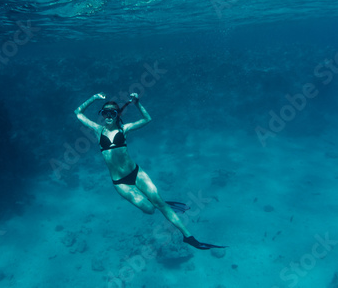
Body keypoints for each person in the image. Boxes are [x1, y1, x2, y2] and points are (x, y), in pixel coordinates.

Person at [74, 92, 225, 250]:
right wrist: (94, 98)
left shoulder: (124, 128)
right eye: (105, 113)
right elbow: (78, 112)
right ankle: (161, 203)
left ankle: (188, 236)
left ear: (117, 114)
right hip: (120, 182)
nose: (108, 116)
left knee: (159, 204)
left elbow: (147, 119)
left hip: (136, 173)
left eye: (112, 112)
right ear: (102, 115)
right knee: (150, 209)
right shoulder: (98, 130)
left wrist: (138, 103)